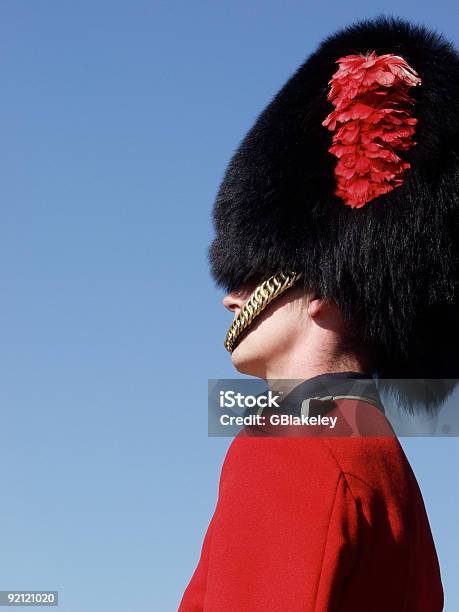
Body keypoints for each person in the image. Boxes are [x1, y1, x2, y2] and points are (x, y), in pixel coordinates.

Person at [179, 15, 459, 611]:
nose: (232, 297)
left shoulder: (290, 442)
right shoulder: (388, 471)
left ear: (327, 285)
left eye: (253, 270)